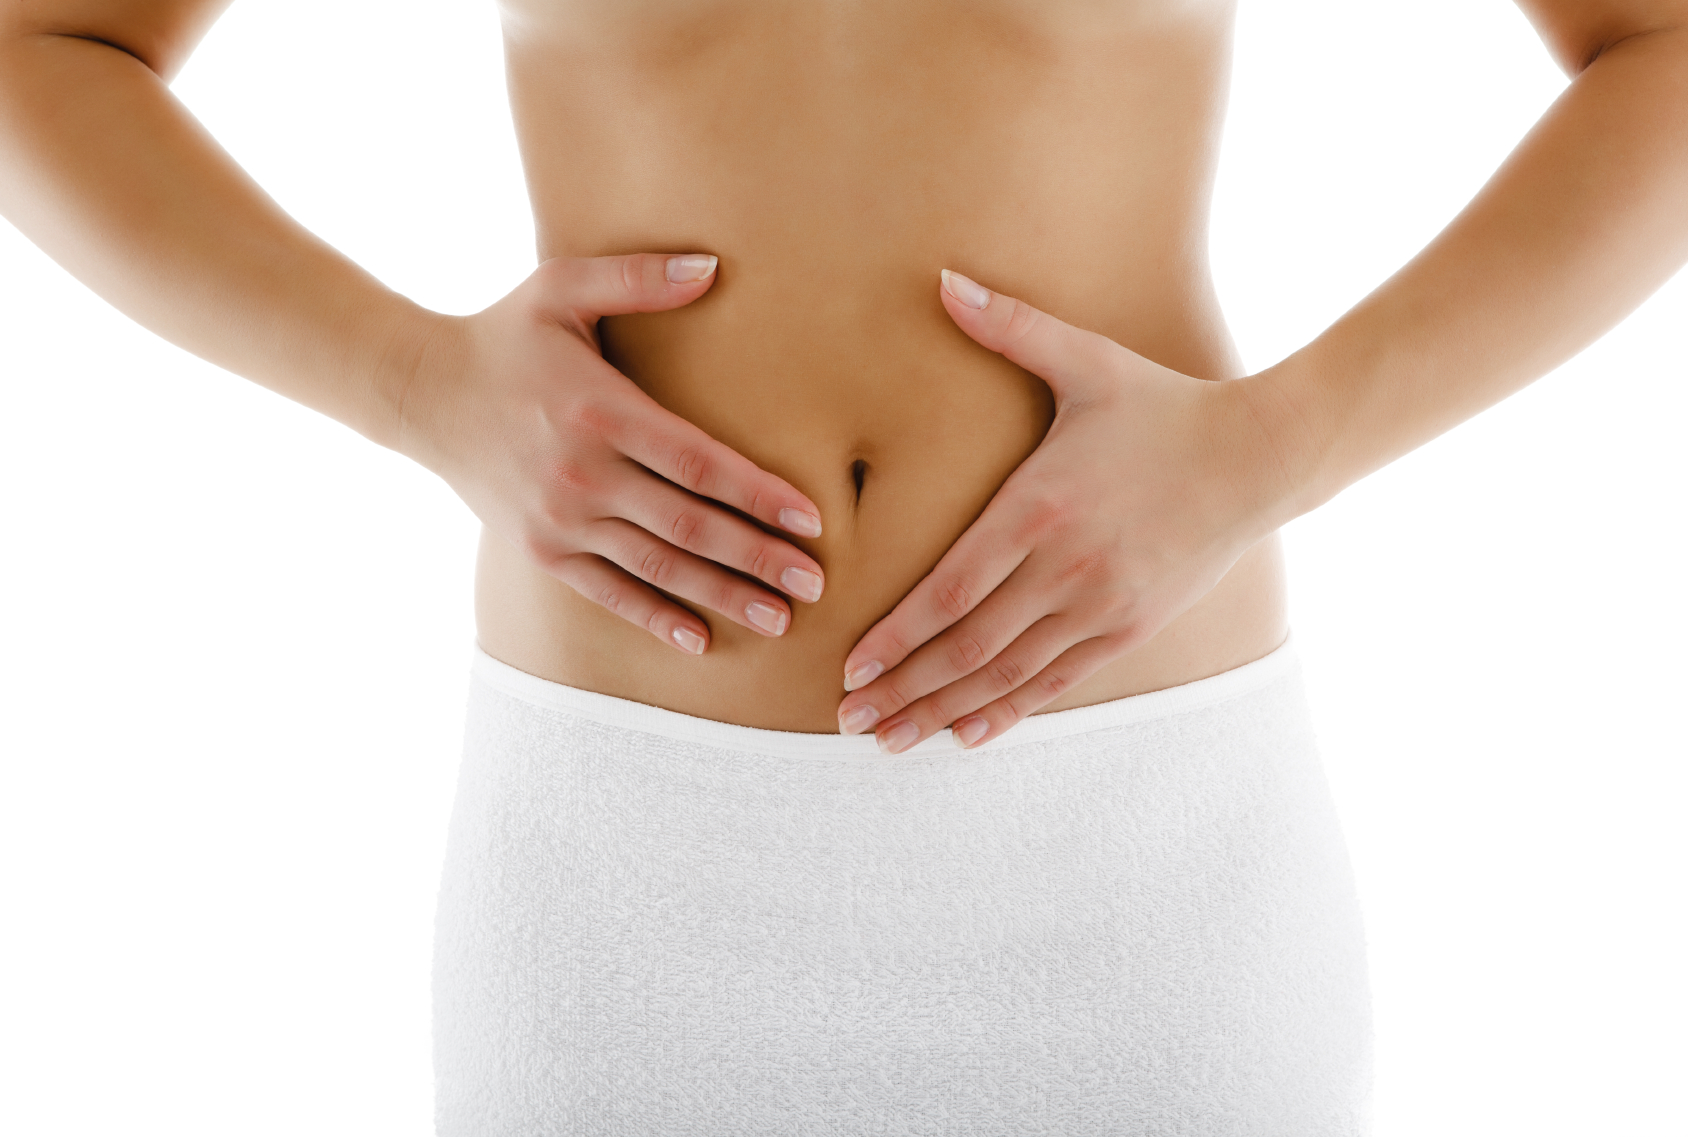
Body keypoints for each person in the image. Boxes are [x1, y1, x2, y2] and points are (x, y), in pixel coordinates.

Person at [2, 0, 1685, 1132]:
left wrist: (1275, 445)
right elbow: (45, 49)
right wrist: (407, 379)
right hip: (627, 878)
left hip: (1135, 863)